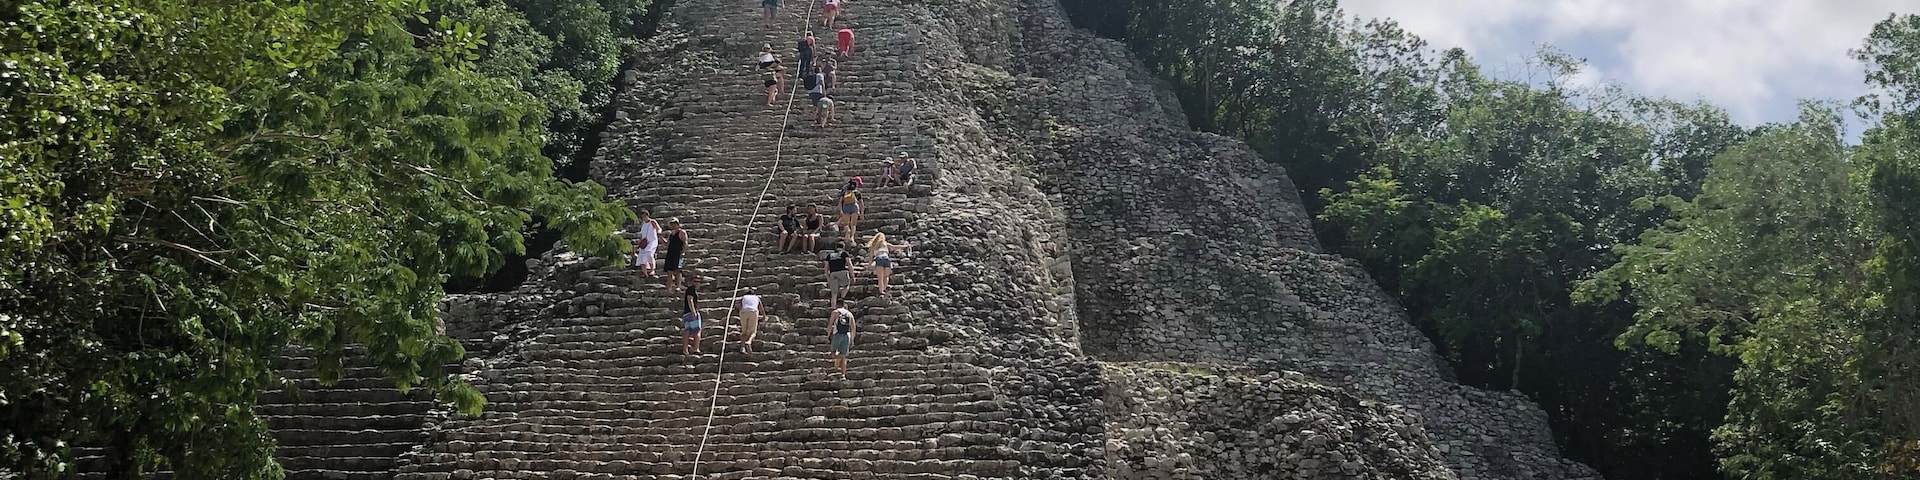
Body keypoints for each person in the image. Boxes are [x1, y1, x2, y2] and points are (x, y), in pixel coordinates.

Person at [866, 232, 911, 297]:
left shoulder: (874, 246)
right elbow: (895, 247)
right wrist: (905, 246)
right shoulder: (885, 244)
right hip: (886, 259)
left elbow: (870, 257)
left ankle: (881, 291)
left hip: (879, 259)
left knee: (880, 278)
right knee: (886, 276)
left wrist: (869, 265)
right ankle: (883, 289)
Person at [828, 306, 855, 375]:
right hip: (846, 335)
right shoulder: (849, 314)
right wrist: (852, 340)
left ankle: (836, 367)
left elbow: (830, 324)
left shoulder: (835, 312)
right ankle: (843, 374)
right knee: (843, 356)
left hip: (837, 334)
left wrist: (828, 335)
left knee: (832, 354)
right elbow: (853, 328)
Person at [662, 218, 688, 290]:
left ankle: (678, 286)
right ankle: (669, 286)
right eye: (672, 224)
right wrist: (660, 237)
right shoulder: (671, 234)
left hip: (678, 253)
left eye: (675, 224)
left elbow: (685, 242)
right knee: (669, 271)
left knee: (678, 270)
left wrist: (683, 252)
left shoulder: (682, 232)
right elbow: (667, 244)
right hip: (671, 253)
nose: (673, 226)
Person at [633, 210, 661, 277]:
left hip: (652, 241)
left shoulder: (652, 222)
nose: (643, 218)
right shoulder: (643, 224)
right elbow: (642, 236)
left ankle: (652, 270)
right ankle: (645, 273)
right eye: (642, 217)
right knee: (641, 256)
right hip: (645, 242)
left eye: (644, 216)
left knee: (649, 254)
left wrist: (659, 232)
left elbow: (658, 228)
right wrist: (639, 245)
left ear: (647, 216)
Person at [681, 276, 703, 355]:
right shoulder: (691, 289)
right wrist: (693, 312)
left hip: (686, 313)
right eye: (695, 281)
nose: (697, 283)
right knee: (697, 330)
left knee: (687, 331)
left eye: (698, 281)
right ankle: (696, 348)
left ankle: (685, 349)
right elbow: (690, 299)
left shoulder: (690, 290)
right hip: (691, 312)